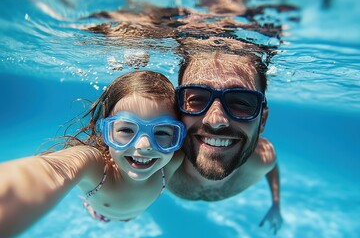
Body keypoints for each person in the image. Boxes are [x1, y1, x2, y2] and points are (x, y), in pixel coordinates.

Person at [0, 71, 186, 237]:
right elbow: (54, 169)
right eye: (126, 130)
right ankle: (91, 206)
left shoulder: (174, 160)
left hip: (132, 213)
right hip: (101, 212)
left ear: (178, 137)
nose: (144, 145)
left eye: (162, 132)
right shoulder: (97, 168)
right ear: (106, 132)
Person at [167, 47, 283, 234]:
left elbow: (271, 165)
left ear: (262, 120)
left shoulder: (263, 159)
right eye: (197, 98)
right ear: (177, 112)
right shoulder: (159, 158)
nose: (216, 120)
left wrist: (276, 203)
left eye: (241, 102)